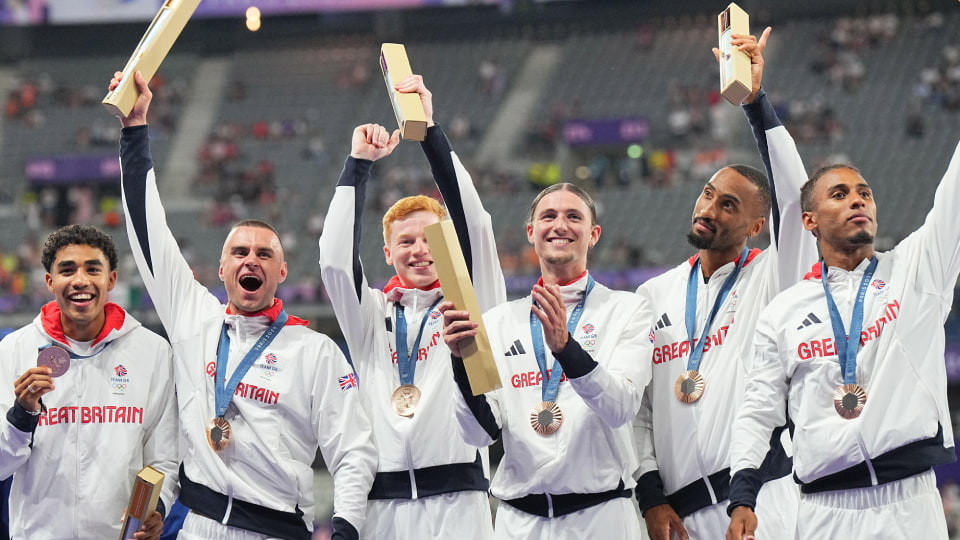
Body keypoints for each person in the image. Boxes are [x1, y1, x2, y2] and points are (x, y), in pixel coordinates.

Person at [111, 71, 377, 540]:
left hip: (275, 528)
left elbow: (354, 448)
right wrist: (135, 130)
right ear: (220, 269)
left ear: (281, 272)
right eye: (239, 252)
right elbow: (149, 233)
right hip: (198, 522)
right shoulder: (195, 318)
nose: (250, 260)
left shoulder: (314, 351)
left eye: (264, 254)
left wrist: (347, 526)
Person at [632, 28, 817, 540]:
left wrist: (756, 103)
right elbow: (639, 410)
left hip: (760, 503)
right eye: (708, 195)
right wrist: (650, 497)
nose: (709, 209)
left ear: (759, 225)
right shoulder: (654, 296)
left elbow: (794, 199)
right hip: (680, 517)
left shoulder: (772, 278)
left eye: (728, 205)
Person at [726, 142, 960, 537]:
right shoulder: (784, 313)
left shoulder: (918, 271)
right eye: (840, 194)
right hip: (824, 512)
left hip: (911, 505)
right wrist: (742, 497)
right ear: (809, 220)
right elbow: (758, 413)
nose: (858, 201)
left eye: (864, 194)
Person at [319, 75, 503, 539]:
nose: (419, 250)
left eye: (429, 238)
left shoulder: (472, 302)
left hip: (460, 506)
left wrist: (430, 132)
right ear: (387, 253)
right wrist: (357, 165)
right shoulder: (371, 316)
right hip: (382, 510)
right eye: (405, 241)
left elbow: (475, 223)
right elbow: (335, 263)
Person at [442, 183, 650, 539]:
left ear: (593, 234)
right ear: (531, 232)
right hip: (519, 524)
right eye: (548, 216)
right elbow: (479, 433)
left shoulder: (628, 310)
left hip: (599, 518)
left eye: (574, 217)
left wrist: (566, 348)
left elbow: (620, 407)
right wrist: (461, 363)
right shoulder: (498, 321)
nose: (560, 225)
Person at [0, 224, 178, 539]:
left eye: (93, 269)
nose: (80, 280)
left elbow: (164, 456)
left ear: (111, 279)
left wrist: (157, 508)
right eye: (67, 270)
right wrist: (22, 414)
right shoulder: (14, 350)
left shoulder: (152, 352)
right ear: (50, 281)